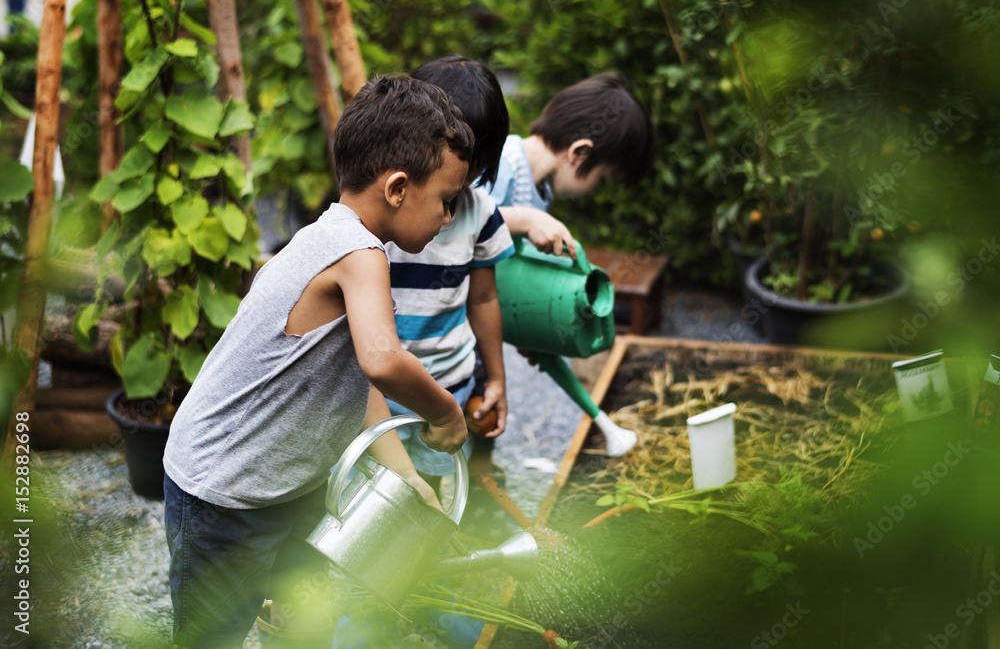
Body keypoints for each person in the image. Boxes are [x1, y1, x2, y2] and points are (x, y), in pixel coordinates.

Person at [161, 74, 473, 649]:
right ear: (399, 188)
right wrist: (446, 410)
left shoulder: (335, 238)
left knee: (304, 620)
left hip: (285, 487)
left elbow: (357, 384)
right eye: (446, 201)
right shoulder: (358, 254)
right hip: (222, 492)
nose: (449, 218)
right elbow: (383, 360)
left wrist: (406, 476)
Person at [384, 54, 513, 485]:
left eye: (473, 167)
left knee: (435, 491)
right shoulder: (381, 211)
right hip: (378, 391)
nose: (459, 180)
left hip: (448, 384)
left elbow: (483, 297)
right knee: (374, 490)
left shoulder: (481, 216)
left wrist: (495, 377)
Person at [487, 72, 655, 260]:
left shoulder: (542, 189)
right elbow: (461, 217)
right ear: (579, 153)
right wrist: (527, 220)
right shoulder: (502, 162)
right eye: (601, 180)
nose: (594, 192)